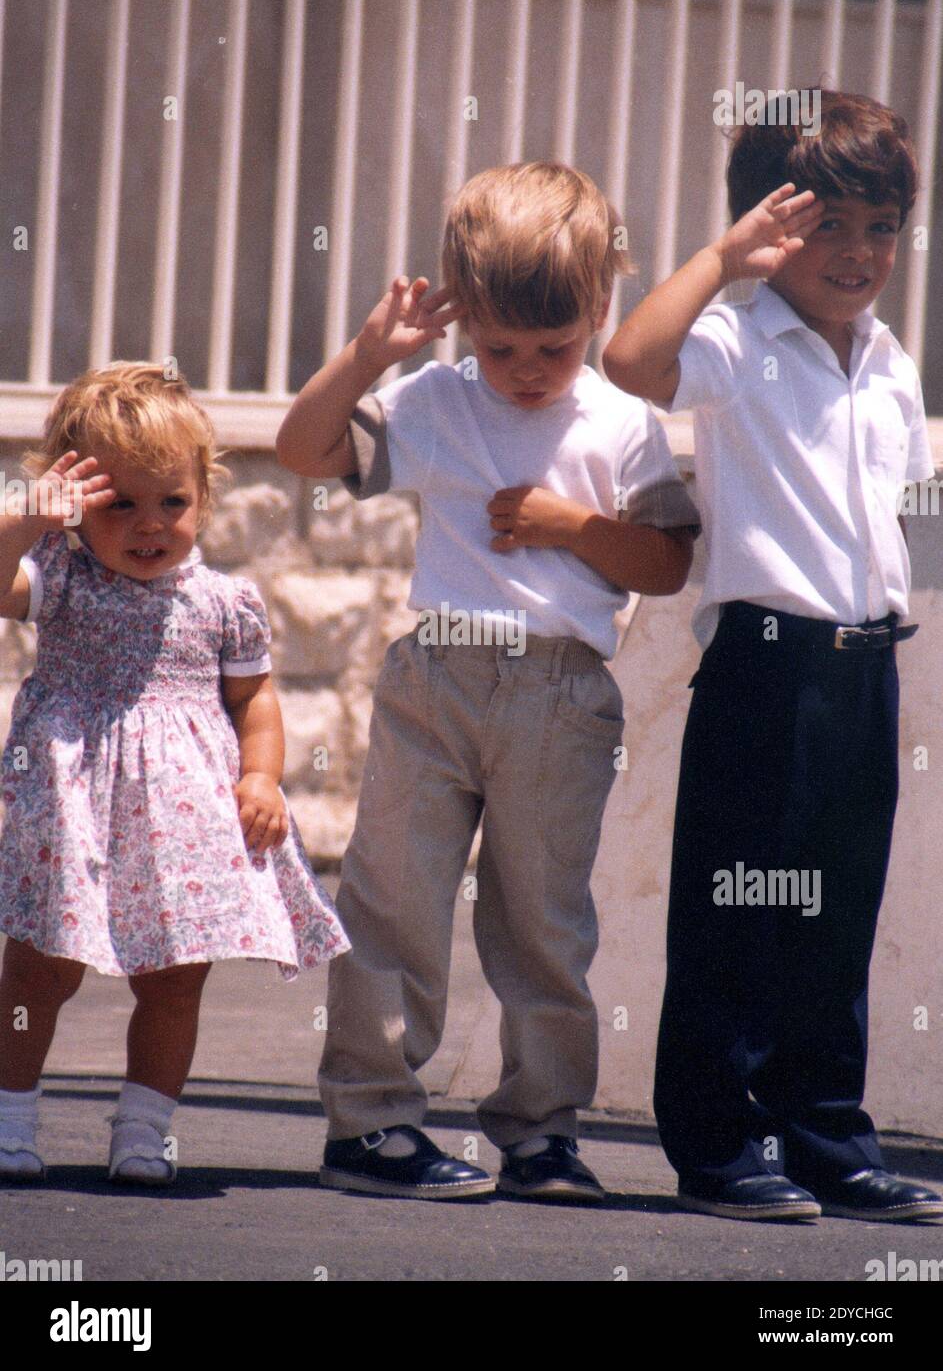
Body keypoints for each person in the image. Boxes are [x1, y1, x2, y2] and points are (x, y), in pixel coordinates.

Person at [277, 161, 700, 1201]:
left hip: (561, 694)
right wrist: (372, 353)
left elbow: (665, 562)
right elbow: (300, 448)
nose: (521, 369)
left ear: (600, 305)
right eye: (497, 345)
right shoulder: (435, 398)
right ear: (460, 317)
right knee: (392, 900)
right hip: (439, 674)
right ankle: (369, 1126)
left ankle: (541, 1128)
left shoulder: (621, 425)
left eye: (552, 347)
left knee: (545, 920)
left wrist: (570, 525)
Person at [603, 91, 943, 1222]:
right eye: (826, 225)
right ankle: (717, 1142)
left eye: (879, 226)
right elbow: (629, 361)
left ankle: (824, 1135)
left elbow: (889, 516)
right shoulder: (736, 338)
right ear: (769, 228)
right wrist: (720, 257)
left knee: (834, 914)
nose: (857, 253)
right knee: (741, 906)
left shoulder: (890, 361)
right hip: (764, 667)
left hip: (861, 668)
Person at [0, 362, 349, 1186]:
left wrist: (262, 780)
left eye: (172, 502)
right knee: (40, 969)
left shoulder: (225, 601)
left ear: (204, 496)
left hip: (183, 819)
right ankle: (12, 1114)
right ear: (76, 502)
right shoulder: (65, 579)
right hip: (74, 805)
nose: (149, 525)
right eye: (119, 504)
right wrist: (24, 520)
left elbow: (255, 701)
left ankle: (145, 1127)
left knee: (175, 980)